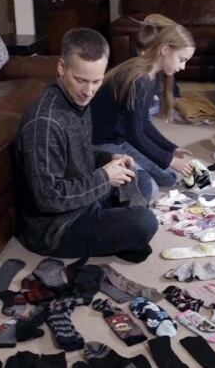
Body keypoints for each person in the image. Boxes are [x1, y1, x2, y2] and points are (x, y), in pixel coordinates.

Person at [14, 27, 158, 261]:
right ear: (62, 68)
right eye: (80, 80)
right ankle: (124, 232)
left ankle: (121, 230)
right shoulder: (45, 123)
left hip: (83, 198)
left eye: (96, 81)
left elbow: (78, 151)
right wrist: (104, 177)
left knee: (136, 178)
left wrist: (107, 160)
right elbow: (49, 198)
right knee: (144, 222)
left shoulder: (77, 99)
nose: (88, 91)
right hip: (55, 228)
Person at [90, 21, 195, 188]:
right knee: (148, 188)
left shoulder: (154, 75)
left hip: (122, 139)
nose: (183, 67)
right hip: (101, 142)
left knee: (170, 176)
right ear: (165, 49)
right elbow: (135, 134)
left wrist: (171, 150)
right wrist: (169, 159)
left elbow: (143, 123)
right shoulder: (138, 79)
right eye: (181, 59)